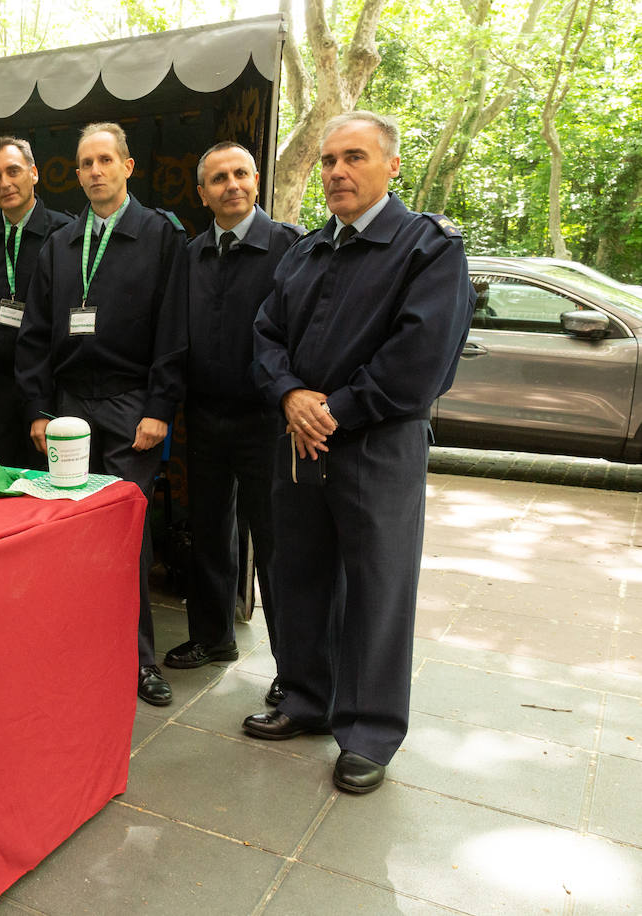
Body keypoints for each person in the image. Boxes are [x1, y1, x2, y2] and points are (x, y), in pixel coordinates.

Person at [244, 111, 474, 794]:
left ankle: (369, 732)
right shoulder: (309, 248)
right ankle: (307, 700)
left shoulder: (428, 249)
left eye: (354, 157)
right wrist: (289, 396)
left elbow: (420, 359)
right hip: (302, 444)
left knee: (378, 588)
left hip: (376, 448)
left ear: (390, 166)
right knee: (301, 577)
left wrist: (331, 411)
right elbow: (265, 334)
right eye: (327, 160)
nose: (338, 172)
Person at [16, 122, 187, 707]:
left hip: (130, 404)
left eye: (105, 161)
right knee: (69, 529)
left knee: (124, 534)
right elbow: (35, 334)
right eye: (85, 163)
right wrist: (39, 409)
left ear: (127, 167)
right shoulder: (60, 244)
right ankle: (74, 649)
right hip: (68, 407)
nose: (94, 172)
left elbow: (174, 330)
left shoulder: (160, 236)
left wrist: (159, 407)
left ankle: (138, 659)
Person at [160, 143, 302, 710]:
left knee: (275, 541)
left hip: (268, 419)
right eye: (218, 178)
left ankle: (292, 665)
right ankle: (212, 637)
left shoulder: (290, 248)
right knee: (209, 529)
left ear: (257, 180)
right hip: (206, 417)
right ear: (202, 193)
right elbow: (175, 333)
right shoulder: (191, 256)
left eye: (240, 174)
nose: (231, 185)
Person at [0, 136, 72, 468]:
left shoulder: (65, 233)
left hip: (51, 383)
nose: (5, 183)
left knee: (47, 487)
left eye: (13, 171)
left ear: (34, 173)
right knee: (1, 482)